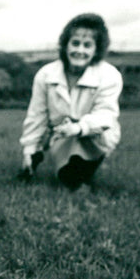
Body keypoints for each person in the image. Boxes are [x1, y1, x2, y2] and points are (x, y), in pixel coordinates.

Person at [18, 13, 123, 189]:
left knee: (73, 178)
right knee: (65, 175)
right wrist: (29, 150)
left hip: (95, 136)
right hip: (60, 134)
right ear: (65, 44)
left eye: (87, 45)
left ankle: (85, 168)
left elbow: (106, 115)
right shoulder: (45, 74)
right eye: (75, 43)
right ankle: (39, 162)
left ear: (96, 50)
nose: (79, 51)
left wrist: (77, 128)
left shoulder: (110, 75)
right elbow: (37, 115)